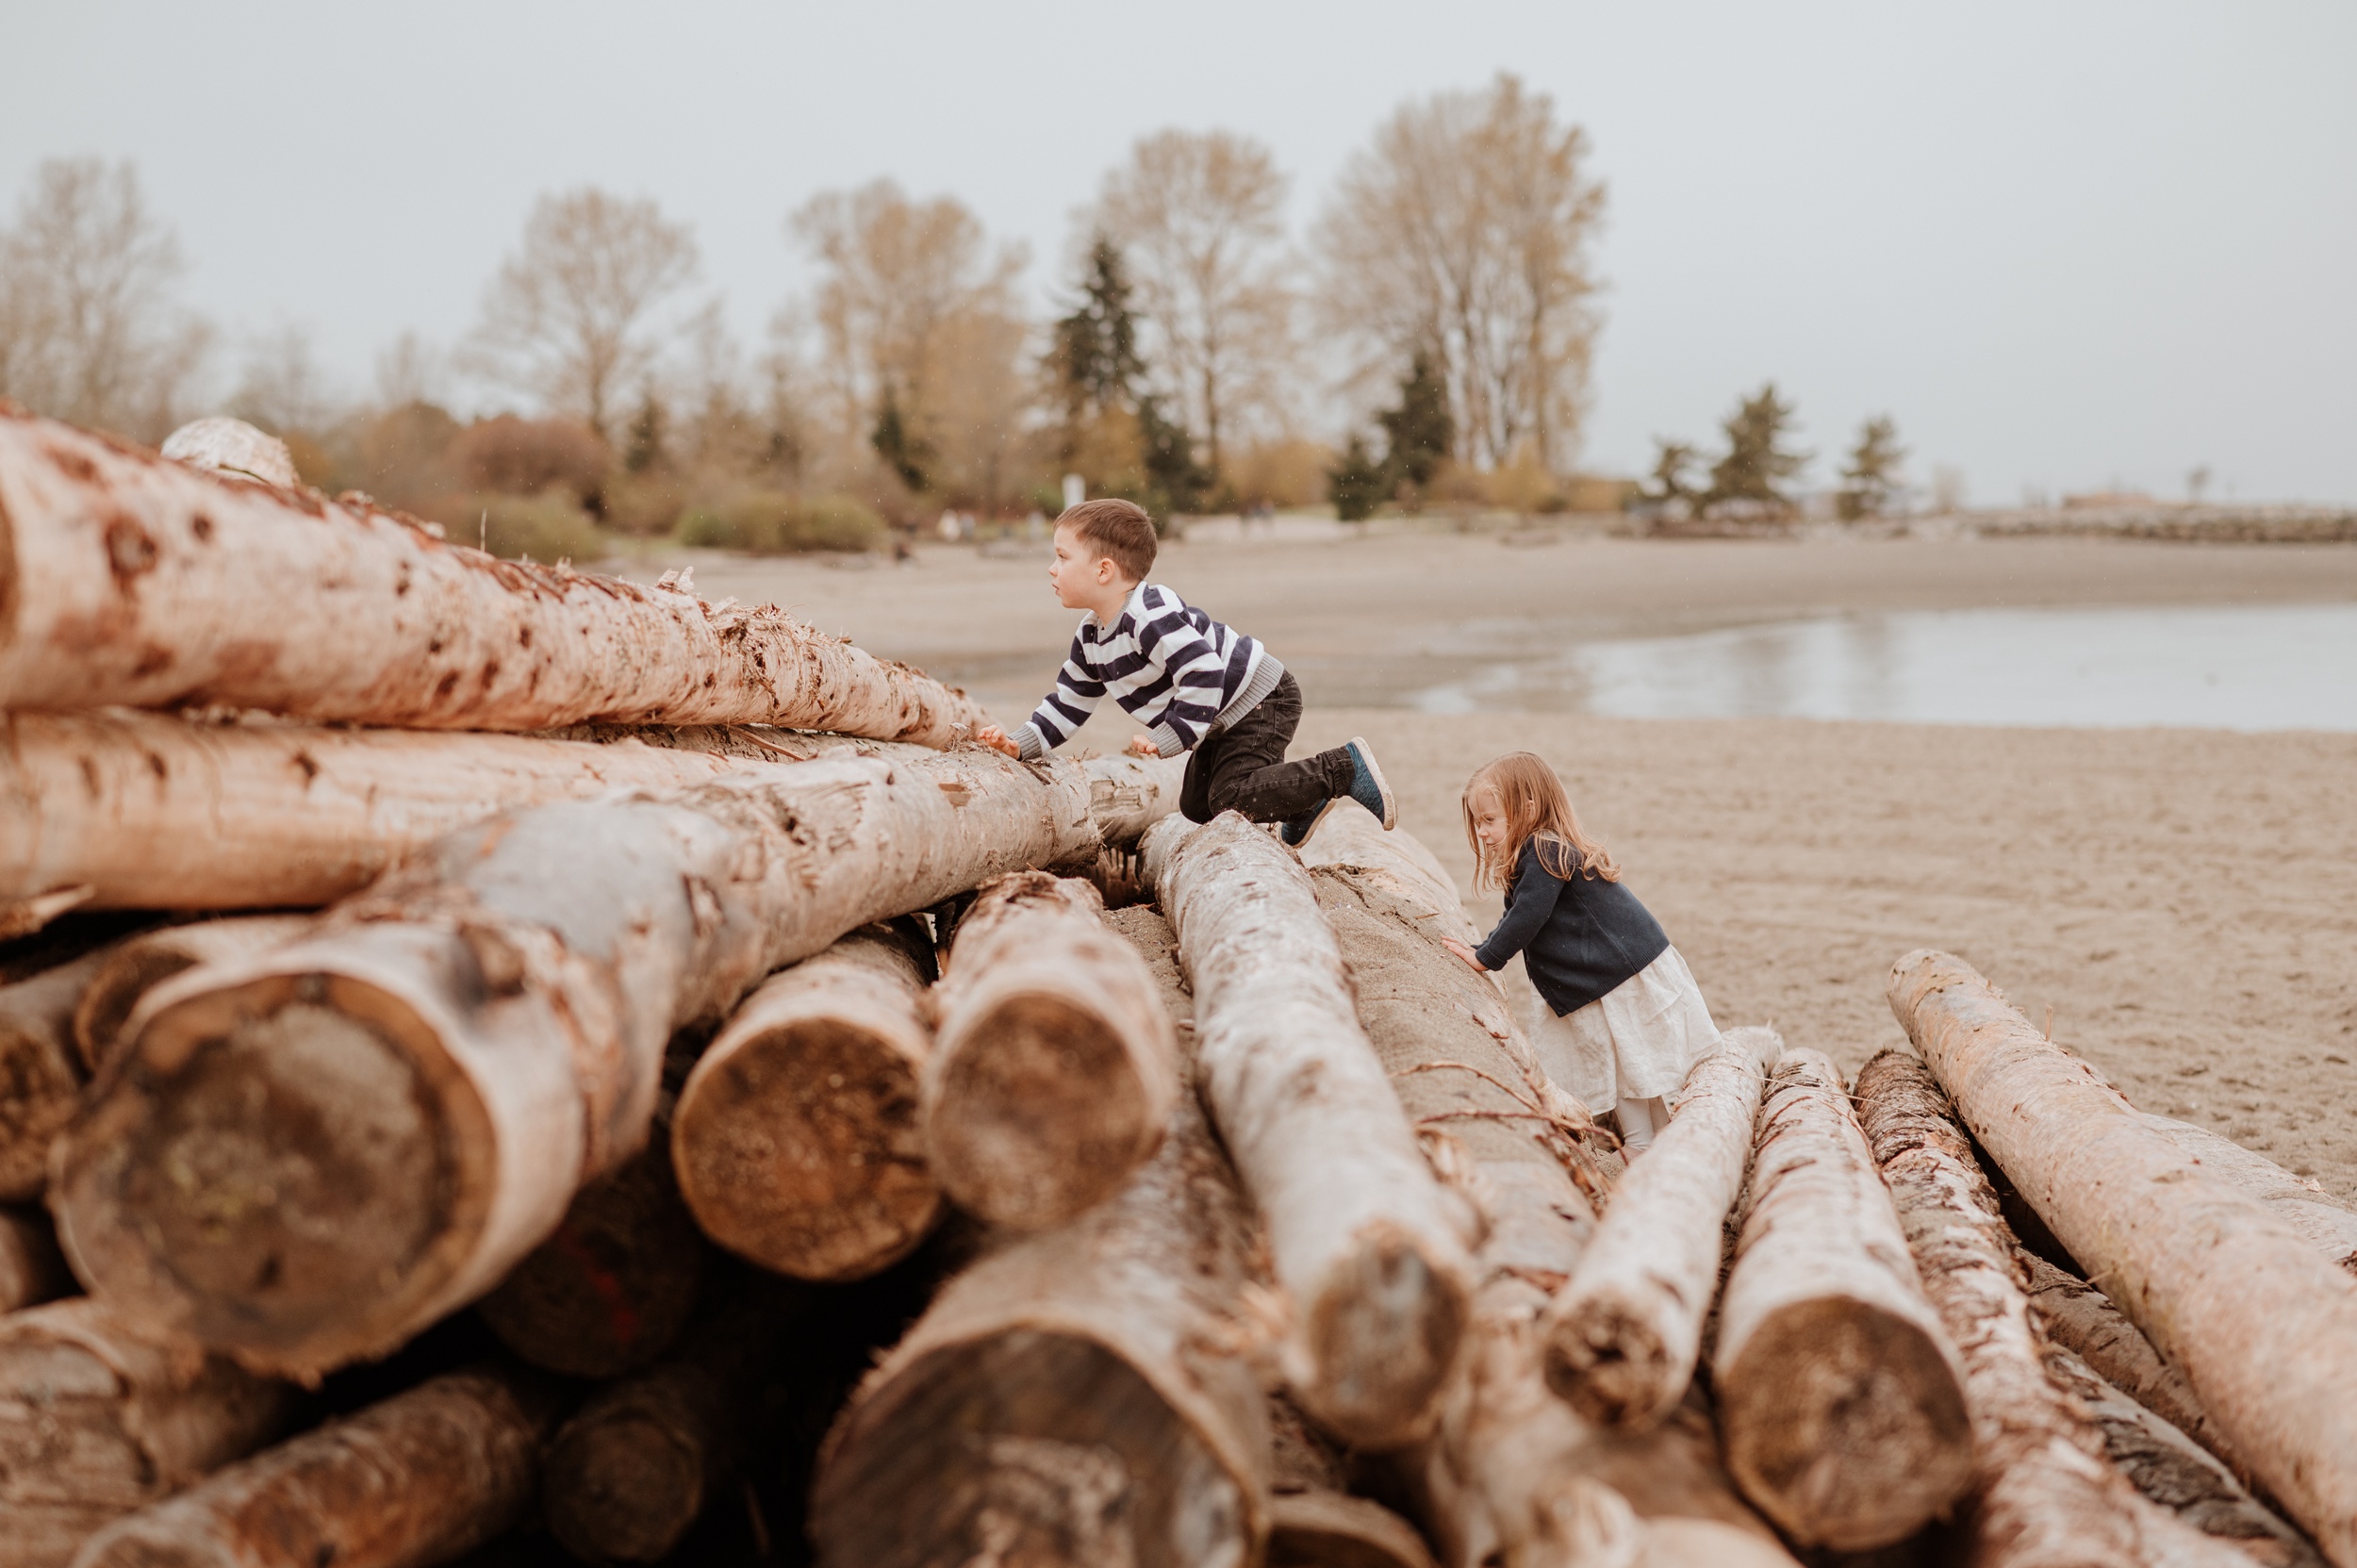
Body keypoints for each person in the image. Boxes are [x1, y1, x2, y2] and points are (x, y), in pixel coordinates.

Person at [975, 498, 1394, 843]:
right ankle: (1302, 801)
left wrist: (1169, 736)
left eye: (1062, 557)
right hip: (1218, 718)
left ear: (1103, 570)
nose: (1052, 567)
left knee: (1231, 796)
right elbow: (1068, 702)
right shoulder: (1092, 637)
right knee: (1197, 807)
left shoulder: (1149, 614)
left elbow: (1204, 672)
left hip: (1260, 697)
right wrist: (1020, 744)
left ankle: (1343, 767)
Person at [1441, 751, 1720, 1154]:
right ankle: (1656, 1143)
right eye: (1477, 823)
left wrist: (1486, 958)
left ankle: (1646, 1145)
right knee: (1632, 1066)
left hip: (1619, 973)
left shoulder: (1544, 848)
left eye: (1489, 820)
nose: (1482, 832)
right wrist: (1482, 947)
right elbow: (1515, 914)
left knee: (1631, 1064)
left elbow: (1527, 917)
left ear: (1528, 810)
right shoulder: (1537, 851)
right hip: (1610, 972)